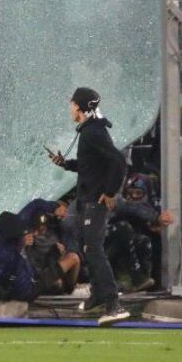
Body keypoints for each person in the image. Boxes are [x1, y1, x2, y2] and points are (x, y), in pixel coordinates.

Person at [50, 87, 130, 326]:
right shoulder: (90, 132)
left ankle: (113, 304)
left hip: (95, 202)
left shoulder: (93, 132)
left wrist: (109, 192)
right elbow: (91, 165)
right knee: (89, 248)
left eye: (72, 103)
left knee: (93, 250)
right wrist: (67, 164)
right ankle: (98, 294)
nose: (70, 108)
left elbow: (118, 161)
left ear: (80, 107)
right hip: (87, 201)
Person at [106, 174, 174, 292]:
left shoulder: (155, 207)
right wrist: (156, 218)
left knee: (147, 241)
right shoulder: (120, 203)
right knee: (124, 228)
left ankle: (149, 285)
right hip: (105, 249)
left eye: (138, 193)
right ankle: (133, 278)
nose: (132, 197)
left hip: (136, 247)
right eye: (130, 193)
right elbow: (131, 207)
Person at [18, 199, 82, 296]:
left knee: (74, 258)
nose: (37, 232)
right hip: (36, 277)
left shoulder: (57, 230)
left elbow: (64, 255)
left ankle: (69, 289)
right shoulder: (25, 236)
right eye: (36, 229)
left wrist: (61, 252)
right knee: (57, 284)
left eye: (41, 228)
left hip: (51, 270)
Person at [0, 211, 36, 317]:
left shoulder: (19, 221)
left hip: (31, 275)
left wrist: (54, 207)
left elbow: (35, 204)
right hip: (19, 287)